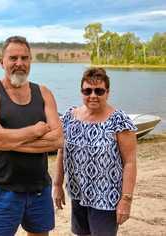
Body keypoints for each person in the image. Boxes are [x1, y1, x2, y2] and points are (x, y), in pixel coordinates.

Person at [0, 36, 63, 236]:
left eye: (24, 58)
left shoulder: (43, 93)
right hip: (2, 190)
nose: (19, 64)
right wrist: (33, 132)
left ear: (30, 61)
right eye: (13, 58)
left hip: (39, 189)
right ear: (2, 62)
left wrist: (6, 140)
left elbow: (58, 140)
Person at [53, 68, 137, 236]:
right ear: (81, 91)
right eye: (87, 91)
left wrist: (126, 200)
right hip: (78, 193)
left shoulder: (119, 120)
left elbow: (130, 162)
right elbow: (62, 153)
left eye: (99, 91)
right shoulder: (69, 117)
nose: (93, 95)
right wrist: (57, 185)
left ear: (107, 92)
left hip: (107, 197)